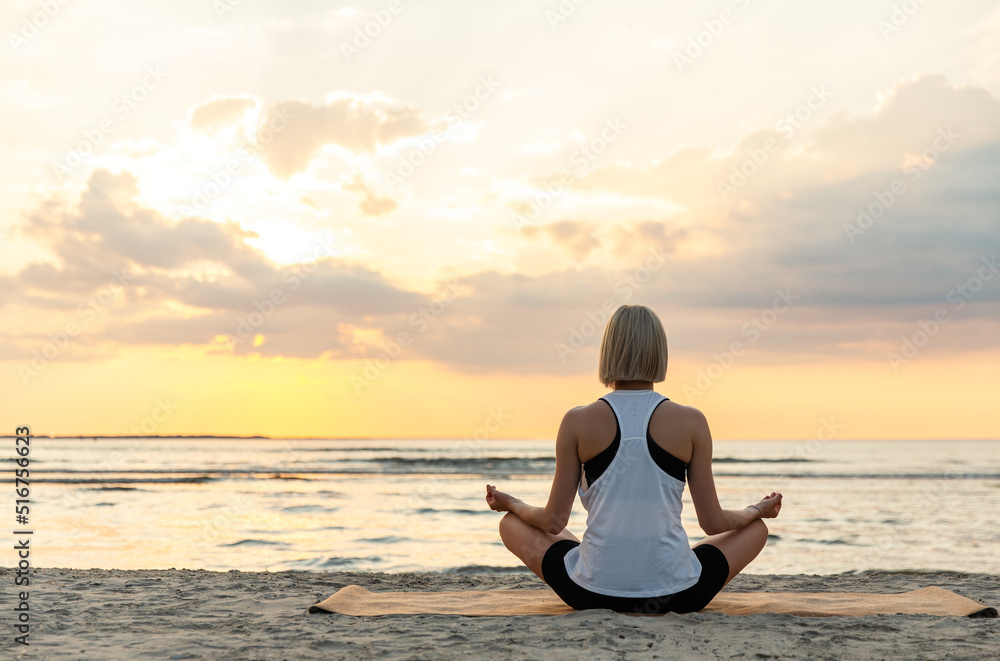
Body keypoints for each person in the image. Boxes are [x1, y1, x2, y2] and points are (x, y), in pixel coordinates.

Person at [485, 304, 782, 614]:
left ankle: (609, 571)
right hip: (680, 597)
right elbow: (713, 523)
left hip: (590, 595)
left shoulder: (577, 421)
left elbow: (553, 521)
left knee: (511, 524)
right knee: (756, 529)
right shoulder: (691, 422)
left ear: (608, 352)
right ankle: (664, 571)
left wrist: (514, 505)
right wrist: (755, 510)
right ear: (659, 352)